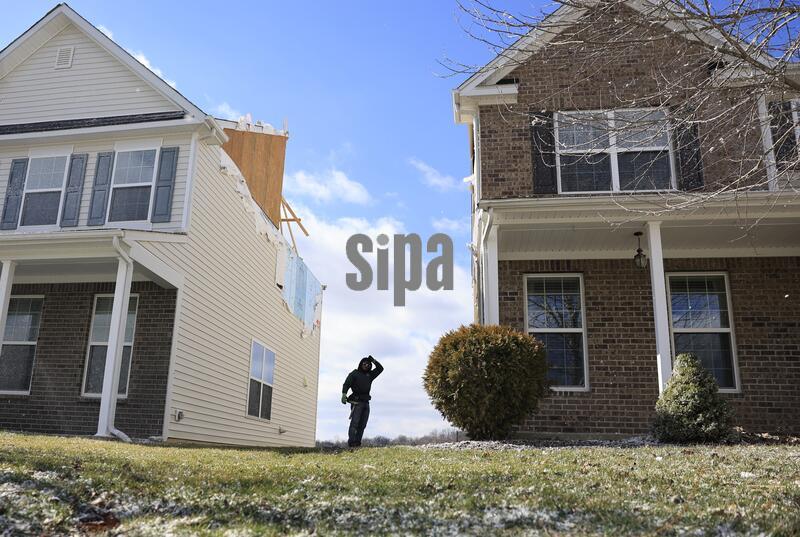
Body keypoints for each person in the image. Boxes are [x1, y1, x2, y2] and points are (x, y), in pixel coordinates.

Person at [341, 355, 383, 447]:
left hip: (366, 402)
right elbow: (346, 384)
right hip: (356, 402)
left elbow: (380, 369)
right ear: (360, 364)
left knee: (362, 425)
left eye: (368, 365)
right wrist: (344, 394)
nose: (366, 366)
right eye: (364, 364)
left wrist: (374, 361)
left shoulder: (370, 375)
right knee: (354, 424)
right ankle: (351, 443)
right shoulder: (354, 373)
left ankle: (357, 443)